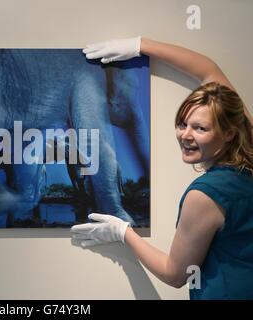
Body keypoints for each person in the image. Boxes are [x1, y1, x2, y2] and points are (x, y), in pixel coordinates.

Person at [71, 37, 253, 300]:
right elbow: (207, 69)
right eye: (182, 123)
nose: (185, 135)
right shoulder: (248, 147)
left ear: (228, 133)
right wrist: (139, 45)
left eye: (200, 128)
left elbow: (175, 274)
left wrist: (124, 233)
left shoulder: (204, 195)